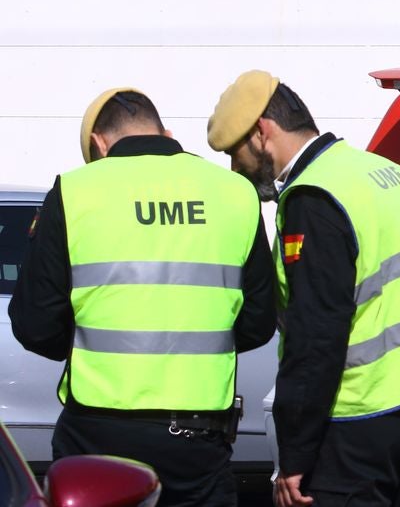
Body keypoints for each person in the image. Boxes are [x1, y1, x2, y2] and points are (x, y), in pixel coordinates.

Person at [206, 70, 400, 507]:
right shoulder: (382, 171)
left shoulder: (315, 197)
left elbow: (316, 337)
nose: (235, 168)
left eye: (235, 152)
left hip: (356, 420)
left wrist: (295, 455)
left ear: (261, 132)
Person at [9, 87, 276, 506]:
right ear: (166, 132)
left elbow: (35, 324)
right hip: (197, 439)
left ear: (98, 144)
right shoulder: (234, 193)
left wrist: (95, 346)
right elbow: (260, 321)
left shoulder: (75, 190)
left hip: (99, 434)